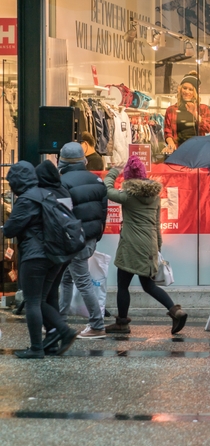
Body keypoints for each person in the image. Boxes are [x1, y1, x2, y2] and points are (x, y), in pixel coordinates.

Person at [104, 156, 188, 335]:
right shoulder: (155, 197)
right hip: (149, 245)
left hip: (130, 246)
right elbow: (157, 224)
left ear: (128, 177)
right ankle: (175, 311)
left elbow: (107, 189)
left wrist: (114, 171)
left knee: (123, 285)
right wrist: (157, 247)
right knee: (149, 285)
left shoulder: (128, 196)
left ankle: (122, 323)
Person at [3, 162, 79, 358]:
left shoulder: (26, 200)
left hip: (35, 256)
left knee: (32, 302)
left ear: (17, 182)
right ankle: (62, 331)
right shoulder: (46, 194)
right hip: (54, 255)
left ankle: (37, 347)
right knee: (40, 300)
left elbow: (10, 230)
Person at [56, 142, 109, 339]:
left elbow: (62, 216)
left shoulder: (62, 183)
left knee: (82, 280)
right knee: (67, 277)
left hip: (72, 240)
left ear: (63, 161)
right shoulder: (97, 181)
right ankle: (60, 320)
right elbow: (103, 212)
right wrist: (97, 235)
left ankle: (97, 324)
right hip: (90, 237)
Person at [163, 72, 210, 154]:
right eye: (185, 88)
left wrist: (195, 114)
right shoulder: (171, 110)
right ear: (180, 89)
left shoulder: (203, 109)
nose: (187, 91)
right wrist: (171, 143)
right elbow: (167, 132)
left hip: (197, 151)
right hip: (178, 151)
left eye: (191, 89)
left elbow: (208, 128)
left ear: (195, 92)